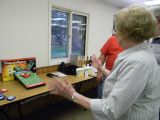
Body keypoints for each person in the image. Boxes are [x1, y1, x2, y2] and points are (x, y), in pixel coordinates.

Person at [48, 5, 160, 120]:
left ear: (127, 33)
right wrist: (100, 68)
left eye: (117, 29)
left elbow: (110, 109)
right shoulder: (137, 55)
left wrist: (72, 94)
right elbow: (120, 78)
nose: (115, 34)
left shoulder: (138, 62)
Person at [92, 34, 123, 98]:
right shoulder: (112, 39)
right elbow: (102, 56)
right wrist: (99, 72)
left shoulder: (132, 44)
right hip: (107, 74)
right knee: (102, 97)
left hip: (122, 76)